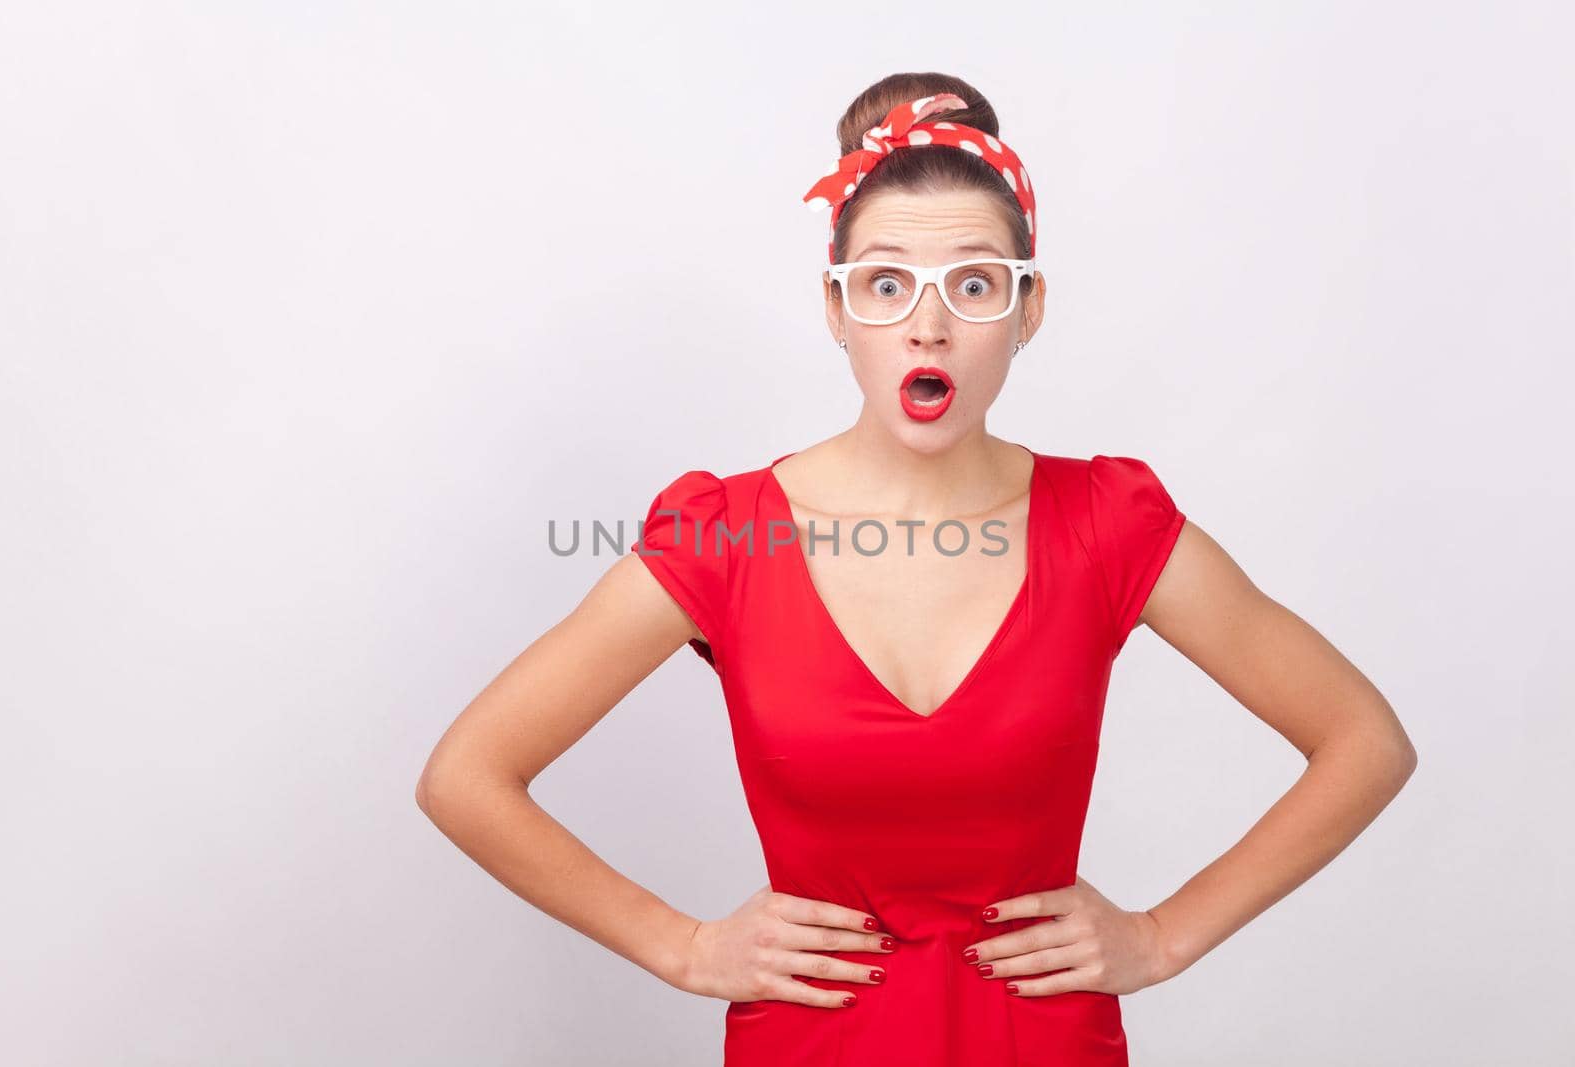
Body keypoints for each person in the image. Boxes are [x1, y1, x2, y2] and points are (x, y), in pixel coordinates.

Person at [415, 72, 1418, 1066]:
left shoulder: (1106, 526)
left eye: (972, 284)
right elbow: (467, 775)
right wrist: (679, 944)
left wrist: (1163, 934)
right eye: (886, 283)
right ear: (836, 308)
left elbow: (1361, 739)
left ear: (1026, 311)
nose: (926, 325)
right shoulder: (727, 536)